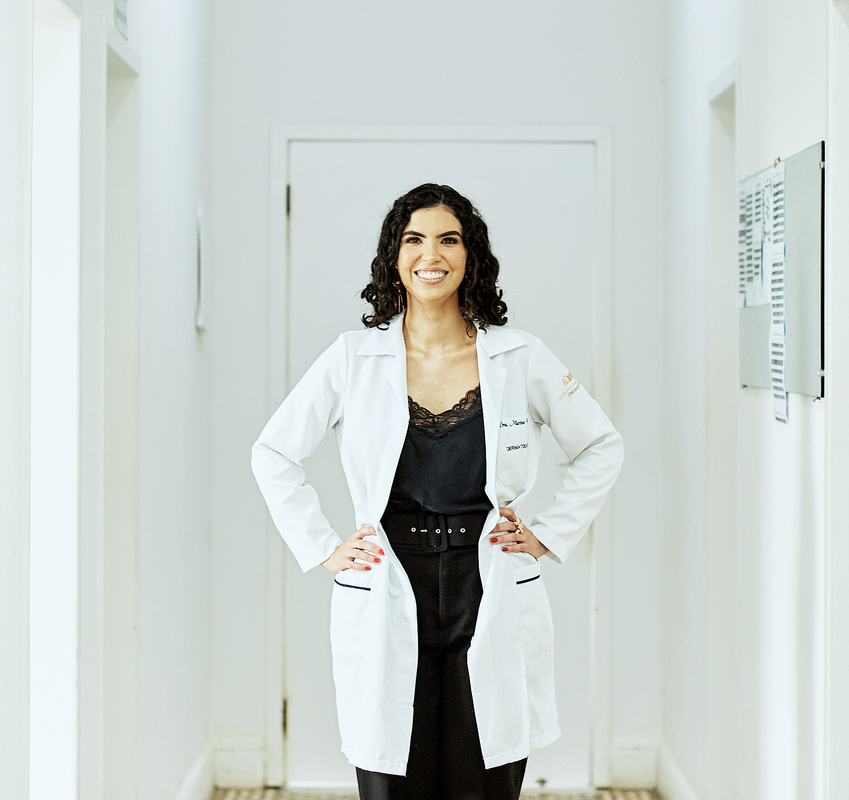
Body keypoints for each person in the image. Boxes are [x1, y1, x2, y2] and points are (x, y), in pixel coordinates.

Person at [251, 183, 623, 800]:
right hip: (391, 573)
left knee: (487, 772)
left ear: (470, 254)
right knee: (394, 771)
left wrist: (550, 534)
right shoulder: (353, 358)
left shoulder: (518, 356)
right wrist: (323, 547)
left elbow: (601, 444)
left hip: (486, 577)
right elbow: (273, 451)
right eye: (414, 239)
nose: (432, 254)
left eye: (449, 239)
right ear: (394, 257)